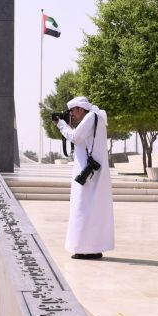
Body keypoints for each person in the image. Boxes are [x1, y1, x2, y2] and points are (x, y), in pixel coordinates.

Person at [54, 96, 115, 260]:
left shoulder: (90, 117)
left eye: (72, 111)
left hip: (88, 175)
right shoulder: (98, 117)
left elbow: (75, 137)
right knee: (94, 211)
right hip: (95, 173)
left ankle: (83, 249)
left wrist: (61, 124)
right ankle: (94, 248)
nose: (71, 114)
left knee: (82, 210)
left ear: (81, 109)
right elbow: (82, 139)